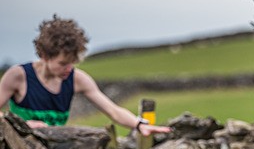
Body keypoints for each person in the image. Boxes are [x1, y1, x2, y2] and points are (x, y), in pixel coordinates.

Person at [0, 15, 170, 135]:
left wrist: (139, 125)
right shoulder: (18, 76)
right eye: (63, 63)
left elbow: (112, 110)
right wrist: (22, 125)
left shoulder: (77, 79)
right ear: (44, 56)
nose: (69, 68)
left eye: (73, 62)